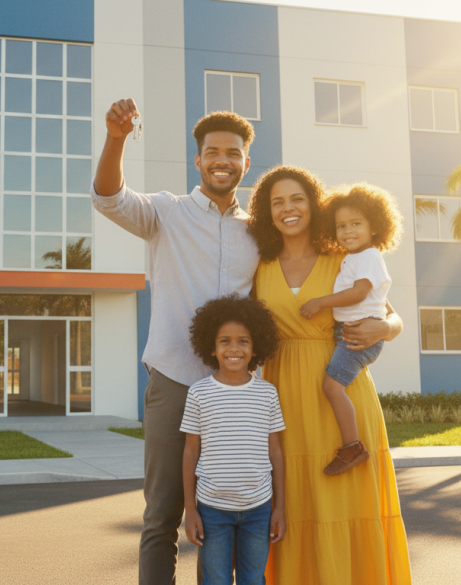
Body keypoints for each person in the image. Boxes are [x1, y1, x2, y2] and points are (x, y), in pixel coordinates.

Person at [91, 99, 261, 584]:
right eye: (212, 152)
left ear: (246, 162)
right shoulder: (167, 212)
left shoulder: (258, 233)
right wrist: (117, 137)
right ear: (198, 160)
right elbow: (108, 198)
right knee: (162, 516)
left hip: (236, 393)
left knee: (235, 516)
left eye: (233, 152)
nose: (222, 160)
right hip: (175, 383)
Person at [246, 165, 412, 584]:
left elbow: (391, 318)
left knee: (344, 504)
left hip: (342, 392)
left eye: (297, 198)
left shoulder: (344, 256)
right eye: (277, 201)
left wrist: (386, 329)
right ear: (267, 212)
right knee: (295, 503)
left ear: (313, 205)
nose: (288, 208)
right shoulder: (258, 265)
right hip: (282, 392)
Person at [298, 183, 403, 476]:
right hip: (348, 334)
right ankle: (351, 443)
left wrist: (320, 302)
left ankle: (352, 446)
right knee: (333, 386)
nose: (347, 231)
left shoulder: (369, 256)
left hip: (359, 336)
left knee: (331, 386)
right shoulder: (351, 258)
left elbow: (359, 293)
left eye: (356, 224)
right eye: (341, 225)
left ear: (375, 227)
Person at [181, 295, 285, 585]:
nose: (234, 348)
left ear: (256, 348)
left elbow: (275, 451)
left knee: (254, 580)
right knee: (216, 581)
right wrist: (191, 510)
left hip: (259, 507)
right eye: (224, 341)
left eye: (243, 341)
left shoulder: (267, 393)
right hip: (212, 509)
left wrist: (280, 507)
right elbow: (190, 452)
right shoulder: (199, 393)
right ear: (212, 348)